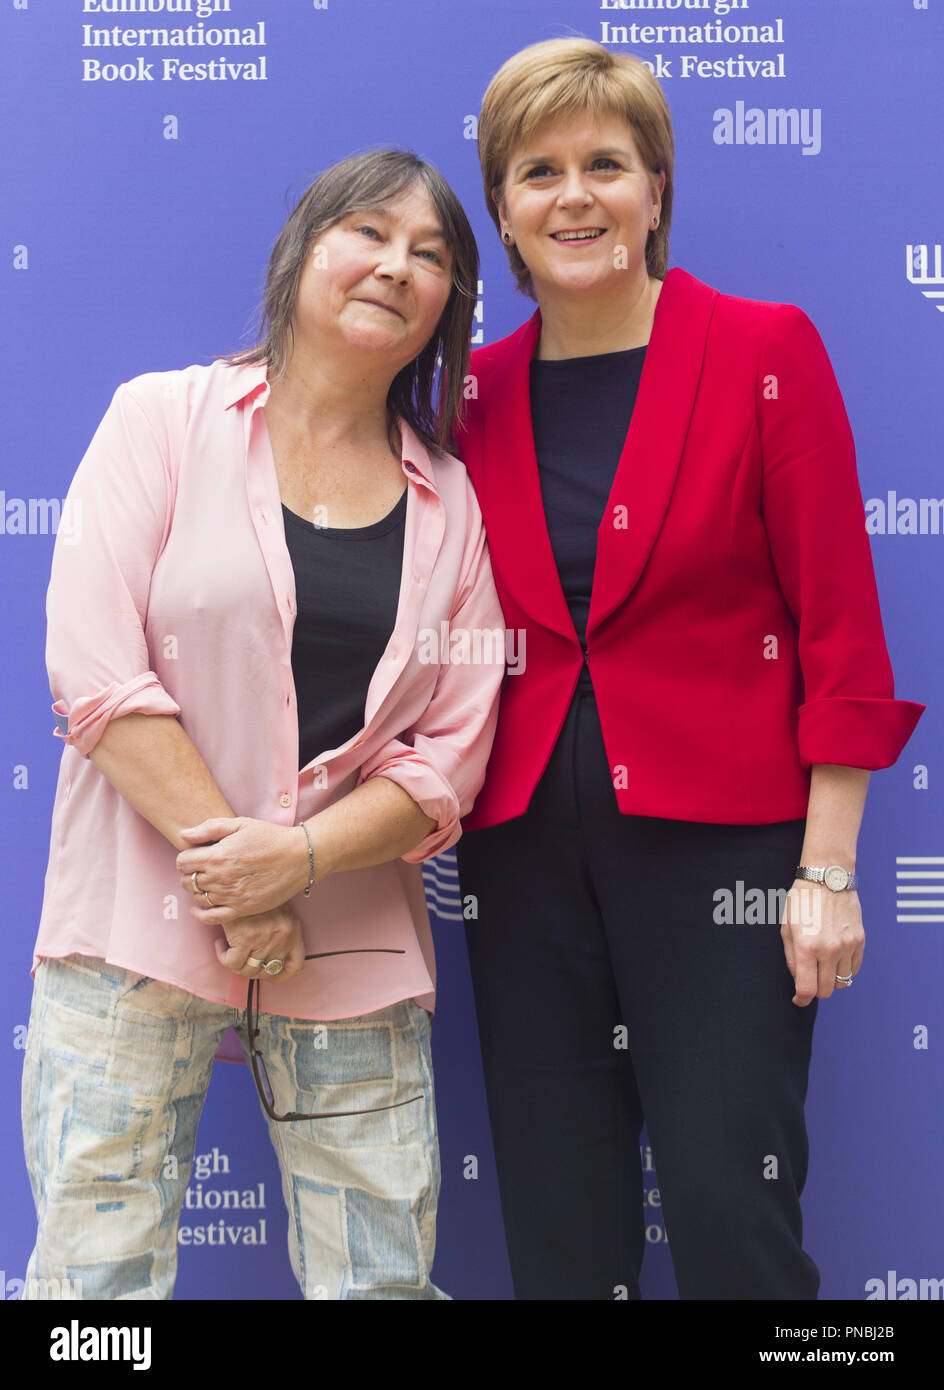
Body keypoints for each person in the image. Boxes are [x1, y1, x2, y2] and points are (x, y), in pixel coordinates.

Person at [451, 38, 925, 1301]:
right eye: (536, 169)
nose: (573, 195)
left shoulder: (764, 350)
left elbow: (840, 635)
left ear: (655, 188)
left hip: (723, 859)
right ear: (499, 206)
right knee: (558, 1239)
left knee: (733, 1223)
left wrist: (825, 872)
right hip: (519, 864)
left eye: (605, 163)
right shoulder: (469, 397)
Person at [22, 148, 505, 1301]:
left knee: (381, 1283)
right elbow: (95, 671)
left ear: (449, 306)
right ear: (301, 252)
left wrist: (296, 859)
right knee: (93, 1288)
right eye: (369, 234)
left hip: (353, 946)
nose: (396, 265)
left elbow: (450, 754)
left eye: (431, 255)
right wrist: (238, 877)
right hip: (134, 932)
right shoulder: (159, 419)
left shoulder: (453, 502)